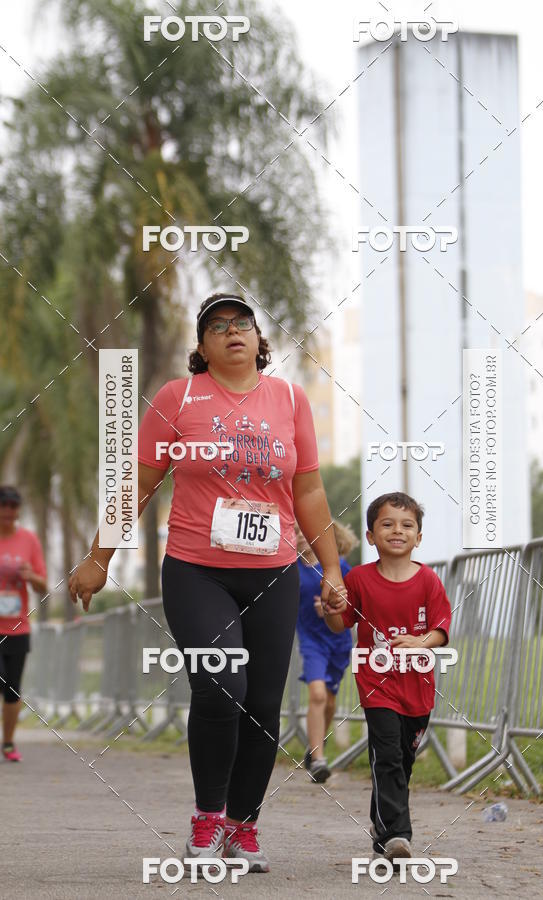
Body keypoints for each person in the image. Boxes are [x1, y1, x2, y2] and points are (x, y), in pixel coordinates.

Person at [68, 293, 346, 874]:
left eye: (241, 323)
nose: (231, 332)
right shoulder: (178, 398)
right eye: (216, 327)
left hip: (273, 572)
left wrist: (331, 568)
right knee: (223, 687)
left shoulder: (292, 400)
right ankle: (207, 817)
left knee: (264, 705)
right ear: (202, 346)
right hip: (197, 569)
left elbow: (310, 493)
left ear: (258, 337)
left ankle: (243, 828)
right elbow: (137, 486)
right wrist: (99, 558)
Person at [324, 491, 451, 860]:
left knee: (403, 759)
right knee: (387, 754)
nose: (397, 531)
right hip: (376, 682)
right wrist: (330, 609)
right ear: (370, 536)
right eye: (387, 524)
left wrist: (420, 641)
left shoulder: (428, 581)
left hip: (418, 687)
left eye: (407, 525)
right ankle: (398, 834)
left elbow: (442, 631)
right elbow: (339, 624)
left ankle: (383, 825)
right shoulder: (360, 580)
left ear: (419, 537)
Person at [296, 520, 358, 783]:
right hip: (311, 641)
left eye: (303, 531)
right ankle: (319, 760)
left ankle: (314, 747)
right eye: (294, 531)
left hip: (338, 641)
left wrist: (333, 609)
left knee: (329, 702)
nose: (299, 536)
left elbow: (351, 603)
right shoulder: (291, 570)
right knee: (317, 694)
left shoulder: (338, 568)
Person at [0, 485, 48, 762]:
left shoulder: (28, 540)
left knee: (12, 688)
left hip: (18, 627)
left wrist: (30, 575)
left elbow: (43, 585)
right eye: (4, 504)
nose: (9, 510)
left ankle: (7, 742)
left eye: (14, 505)